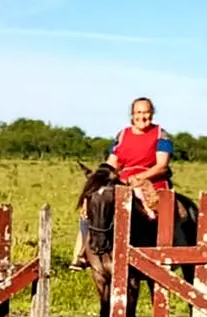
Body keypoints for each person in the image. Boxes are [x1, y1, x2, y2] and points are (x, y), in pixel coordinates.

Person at [70, 96, 174, 270]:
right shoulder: (123, 135)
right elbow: (113, 163)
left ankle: (165, 252)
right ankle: (82, 253)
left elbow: (162, 165)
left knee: (158, 212)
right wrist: (100, 177)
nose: (142, 116)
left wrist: (140, 177)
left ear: (152, 113)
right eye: (138, 112)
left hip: (151, 183)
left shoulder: (161, 135)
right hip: (122, 182)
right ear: (132, 115)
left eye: (146, 112)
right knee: (94, 207)